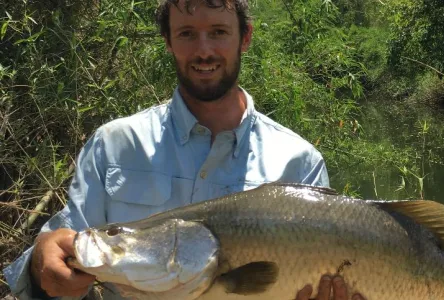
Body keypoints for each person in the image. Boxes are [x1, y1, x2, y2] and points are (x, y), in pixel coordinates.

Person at [3, 0, 366, 299]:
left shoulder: (299, 161)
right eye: (187, 34)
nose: (204, 50)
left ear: (245, 38)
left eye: (219, 32)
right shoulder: (113, 145)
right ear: (168, 41)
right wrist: (41, 261)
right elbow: (63, 253)